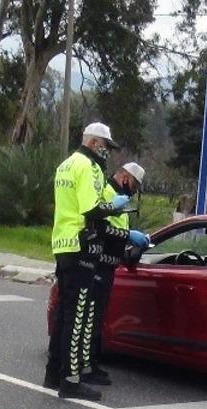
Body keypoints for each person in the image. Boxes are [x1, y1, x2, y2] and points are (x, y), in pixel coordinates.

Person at [46, 122, 133, 400]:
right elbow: (91, 208)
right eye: (106, 146)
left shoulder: (65, 165)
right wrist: (116, 205)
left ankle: (53, 372)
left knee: (63, 313)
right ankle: (71, 380)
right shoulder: (90, 167)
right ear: (95, 142)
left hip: (62, 243)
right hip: (82, 246)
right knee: (78, 315)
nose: (106, 152)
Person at [84, 161, 150, 386]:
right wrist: (128, 235)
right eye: (133, 185)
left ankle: (92, 363)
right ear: (125, 178)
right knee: (91, 318)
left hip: (110, 266)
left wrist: (129, 248)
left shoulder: (120, 200)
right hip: (98, 265)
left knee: (98, 317)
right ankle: (86, 367)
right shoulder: (107, 194)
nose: (133, 190)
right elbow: (100, 228)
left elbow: (117, 233)